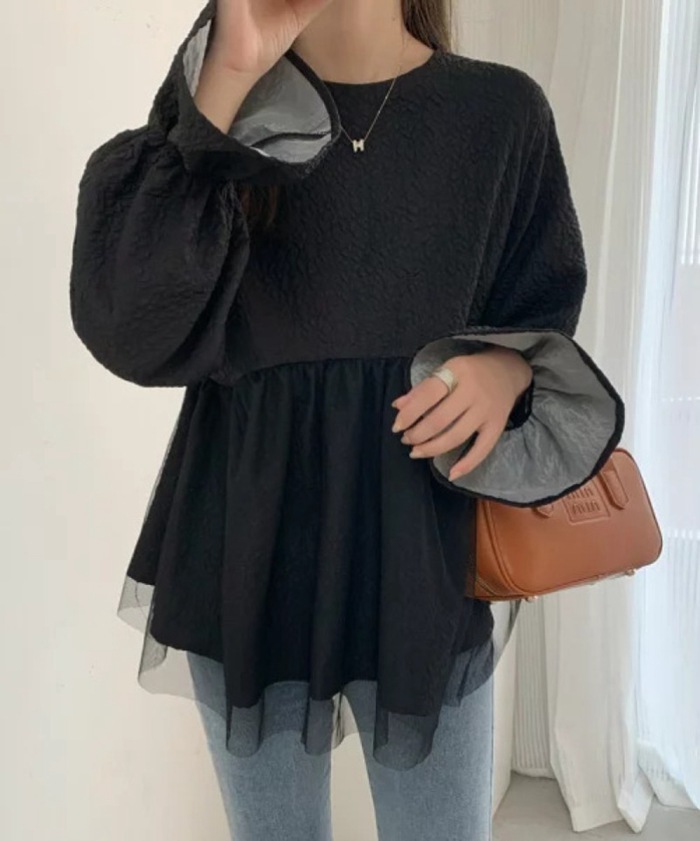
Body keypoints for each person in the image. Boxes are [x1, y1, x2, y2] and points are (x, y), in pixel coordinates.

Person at [69, 1, 624, 839]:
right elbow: (132, 326)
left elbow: (544, 296)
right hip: (246, 548)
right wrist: (230, 73)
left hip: (419, 546)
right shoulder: (224, 92)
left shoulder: (500, 113)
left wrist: (505, 367)